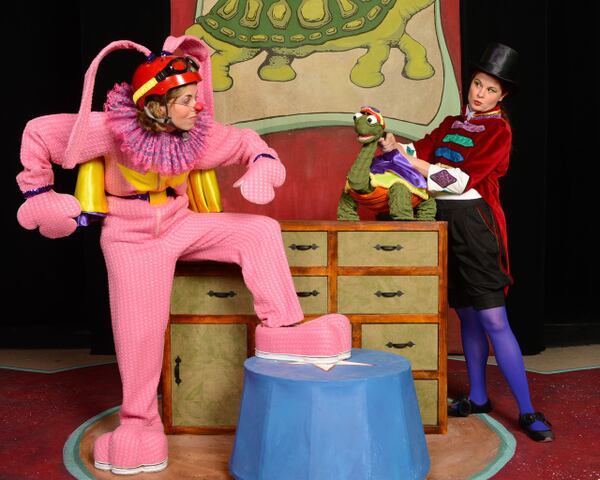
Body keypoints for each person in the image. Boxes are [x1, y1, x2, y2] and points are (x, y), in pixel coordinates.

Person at [15, 35, 350, 475]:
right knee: (140, 337)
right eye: (187, 100)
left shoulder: (196, 136)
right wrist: (39, 194)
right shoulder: (108, 129)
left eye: (195, 97)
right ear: (157, 104)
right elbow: (38, 133)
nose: (198, 106)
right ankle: (139, 427)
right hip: (131, 237)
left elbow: (246, 141)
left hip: (179, 223)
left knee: (259, 231)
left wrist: (263, 162)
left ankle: (283, 330)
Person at [379, 42, 554, 442]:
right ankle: (478, 397)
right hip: (443, 220)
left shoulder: (499, 131)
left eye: (491, 90)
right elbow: (419, 148)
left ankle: (527, 410)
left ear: (501, 96)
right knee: (468, 315)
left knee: (493, 319)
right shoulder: (452, 123)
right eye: (477, 84)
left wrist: (415, 163)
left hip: (475, 222)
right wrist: (394, 146)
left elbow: (456, 180)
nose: (480, 93)